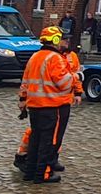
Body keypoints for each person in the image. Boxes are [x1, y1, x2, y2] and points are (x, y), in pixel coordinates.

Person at [18, 26, 79, 184]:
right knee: (49, 142)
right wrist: (76, 76)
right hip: (52, 107)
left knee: (35, 141)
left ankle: (30, 172)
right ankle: (43, 174)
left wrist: (23, 100)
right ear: (55, 40)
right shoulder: (55, 58)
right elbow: (64, 83)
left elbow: (25, 82)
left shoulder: (35, 57)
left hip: (35, 107)